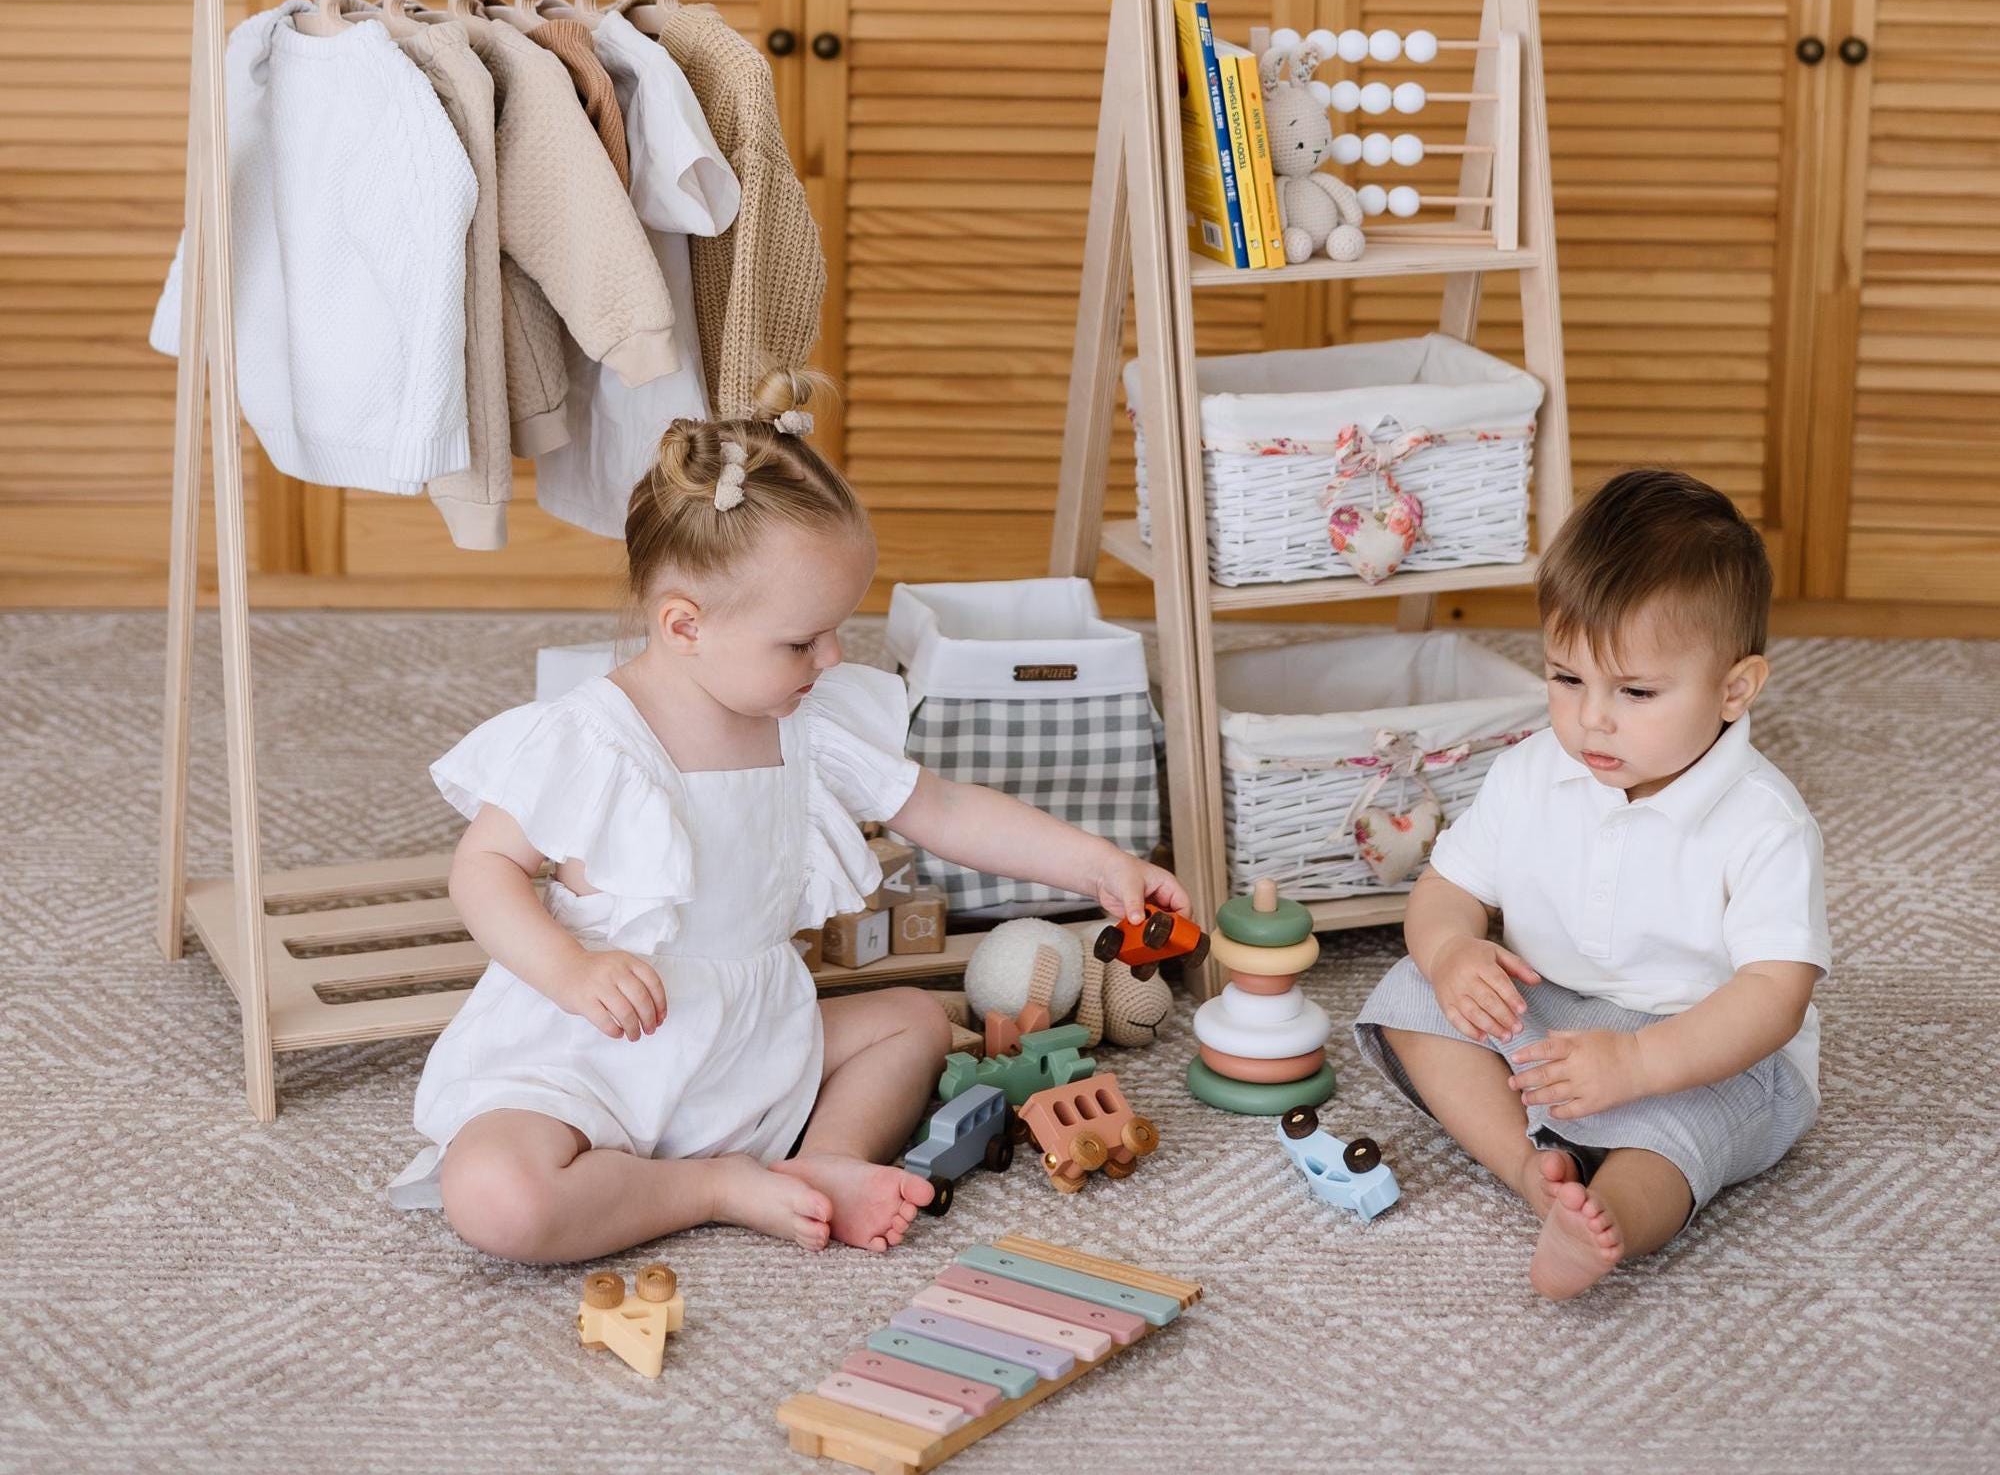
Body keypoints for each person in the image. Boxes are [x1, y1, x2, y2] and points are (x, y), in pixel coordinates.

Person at [385, 367, 1188, 1264]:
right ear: (684, 626)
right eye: (803, 639)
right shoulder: (589, 738)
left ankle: (827, 1159)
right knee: (496, 1195)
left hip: (753, 1041)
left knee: (918, 1022)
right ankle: (714, 1185)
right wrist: (570, 970)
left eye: (836, 629)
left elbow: (946, 807)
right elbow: (483, 868)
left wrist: (1099, 864)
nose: (833, 655)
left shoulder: (809, 718)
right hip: (597, 1046)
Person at [1353, 468, 1830, 1298]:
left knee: (1676, 1139)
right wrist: (1453, 948)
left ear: (1734, 689)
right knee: (1413, 992)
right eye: (1567, 678)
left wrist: (1641, 1062)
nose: (1592, 717)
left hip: (1703, 1047)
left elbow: (1773, 997)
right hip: (1553, 1017)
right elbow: (1447, 887)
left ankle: (1608, 1220)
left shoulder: (1765, 822)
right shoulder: (1530, 772)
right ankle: (1529, 1168)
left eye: (1635, 691)